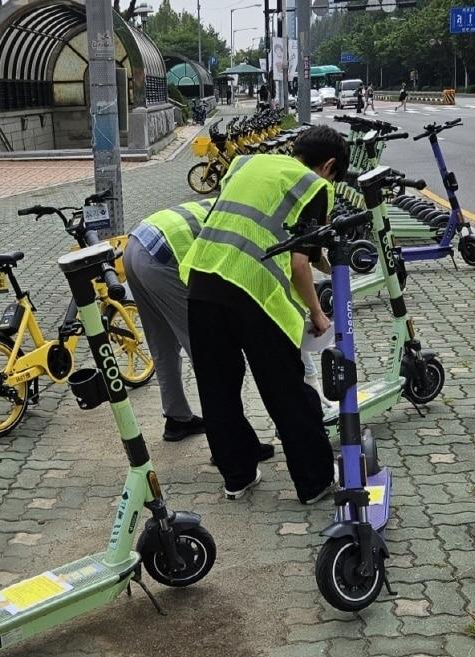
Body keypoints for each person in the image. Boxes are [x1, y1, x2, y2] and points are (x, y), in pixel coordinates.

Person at [181, 126, 348, 503]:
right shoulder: (314, 186)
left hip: (204, 282)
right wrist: (318, 314)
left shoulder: (245, 163)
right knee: (287, 391)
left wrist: (325, 261)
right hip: (254, 294)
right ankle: (315, 481)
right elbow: (298, 265)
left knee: (217, 390)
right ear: (330, 166)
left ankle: (237, 477)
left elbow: (267, 230)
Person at [123, 200, 213, 442]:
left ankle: (177, 419)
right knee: (206, 350)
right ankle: (226, 439)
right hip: (161, 257)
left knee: (162, 342)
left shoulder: (224, 203)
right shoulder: (248, 226)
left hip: (135, 245)